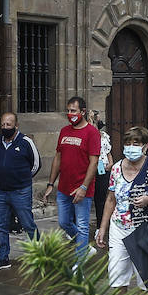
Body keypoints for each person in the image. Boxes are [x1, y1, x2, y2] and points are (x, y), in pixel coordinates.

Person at [94, 126, 148, 295]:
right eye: (128, 143)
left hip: (144, 229)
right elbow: (110, 199)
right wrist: (102, 228)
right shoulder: (117, 168)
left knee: (144, 276)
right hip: (119, 227)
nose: (131, 147)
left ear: (144, 147)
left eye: (135, 143)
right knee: (117, 273)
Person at [42, 96, 100, 259]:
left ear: (82, 112)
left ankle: (79, 262)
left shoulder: (92, 133)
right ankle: (85, 248)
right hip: (64, 188)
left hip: (82, 189)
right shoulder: (64, 131)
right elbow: (58, 158)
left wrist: (83, 187)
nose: (70, 114)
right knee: (64, 222)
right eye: (68, 111)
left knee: (82, 226)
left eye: (73, 111)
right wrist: (50, 183)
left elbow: (93, 163)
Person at [0, 112, 40, 271]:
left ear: (16, 126)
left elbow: (36, 165)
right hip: (2, 192)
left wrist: (22, 179)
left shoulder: (26, 142)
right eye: (3, 125)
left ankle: (39, 254)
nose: (5, 128)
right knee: (1, 225)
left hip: (21, 191)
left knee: (27, 224)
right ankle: (3, 257)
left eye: (8, 125)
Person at [91, 111, 112, 235]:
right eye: (96, 119)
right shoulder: (90, 134)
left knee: (101, 198)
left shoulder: (104, 135)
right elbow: (93, 134)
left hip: (103, 169)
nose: (99, 122)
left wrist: (110, 162)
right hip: (90, 169)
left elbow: (108, 151)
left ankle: (100, 226)